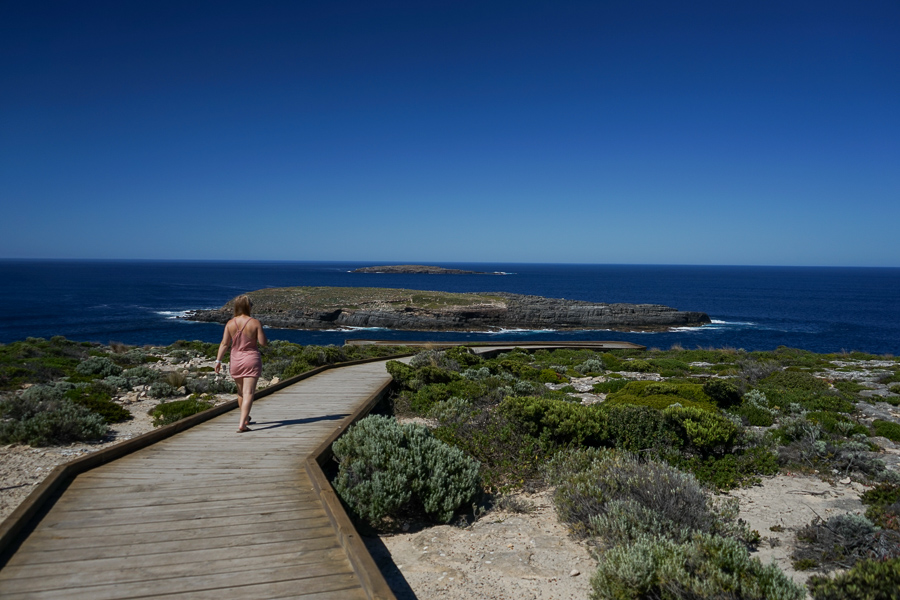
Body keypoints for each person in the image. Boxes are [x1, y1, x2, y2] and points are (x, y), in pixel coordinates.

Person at [215, 294, 267, 432]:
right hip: (251, 359)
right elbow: (263, 343)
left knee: (240, 393)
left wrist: (218, 360)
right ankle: (242, 424)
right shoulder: (255, 322)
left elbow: (224, 343)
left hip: (235, 360)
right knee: (249, 392)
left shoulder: (230, 323)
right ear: (248, 306)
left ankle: (245, 418)